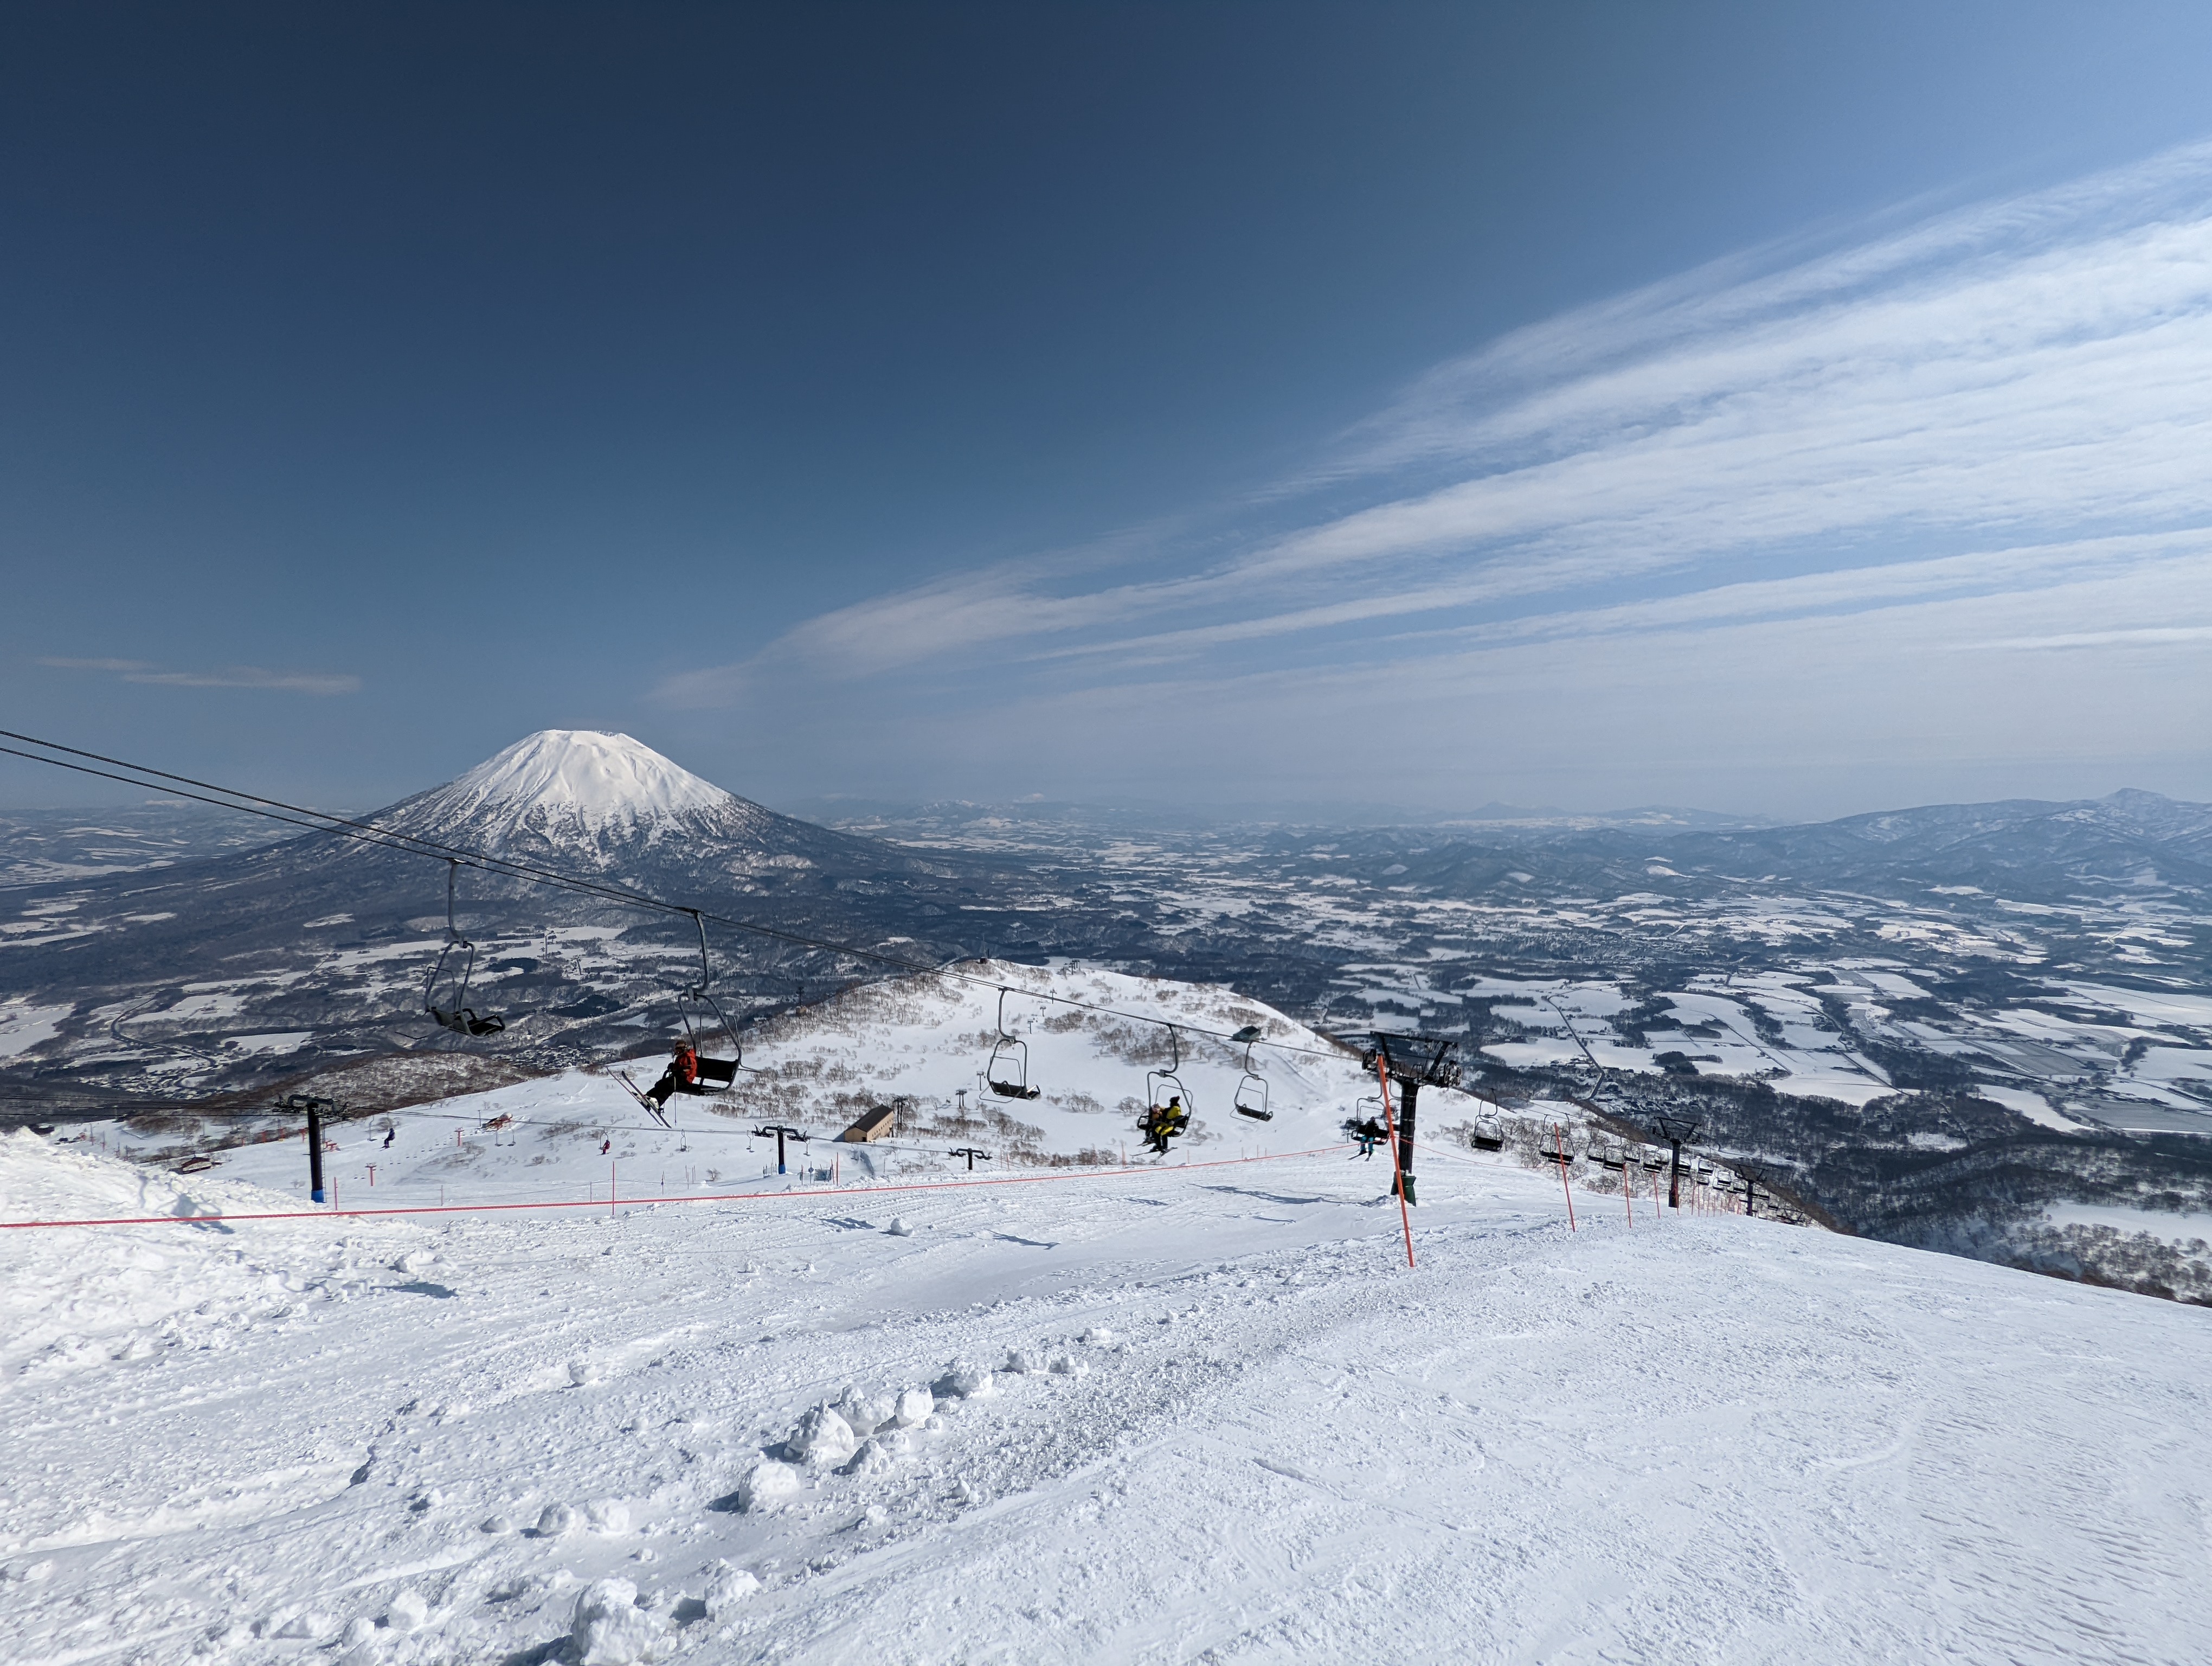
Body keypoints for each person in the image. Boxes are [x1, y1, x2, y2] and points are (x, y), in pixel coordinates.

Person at [641, 1041, 699, 1113]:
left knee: (669, 1085)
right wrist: (673, 1068)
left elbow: (688, 1071)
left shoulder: (689, 1058)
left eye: (679, 1050)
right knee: (661, 1083)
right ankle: (648, 1097)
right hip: (678, 1078)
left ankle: (658, 1102)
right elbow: (678, 1069)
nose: (677, 1052)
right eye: (676, 1050)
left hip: (686, 1080)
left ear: (684, 1049)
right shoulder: (681, 1057)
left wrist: (679, 1071)